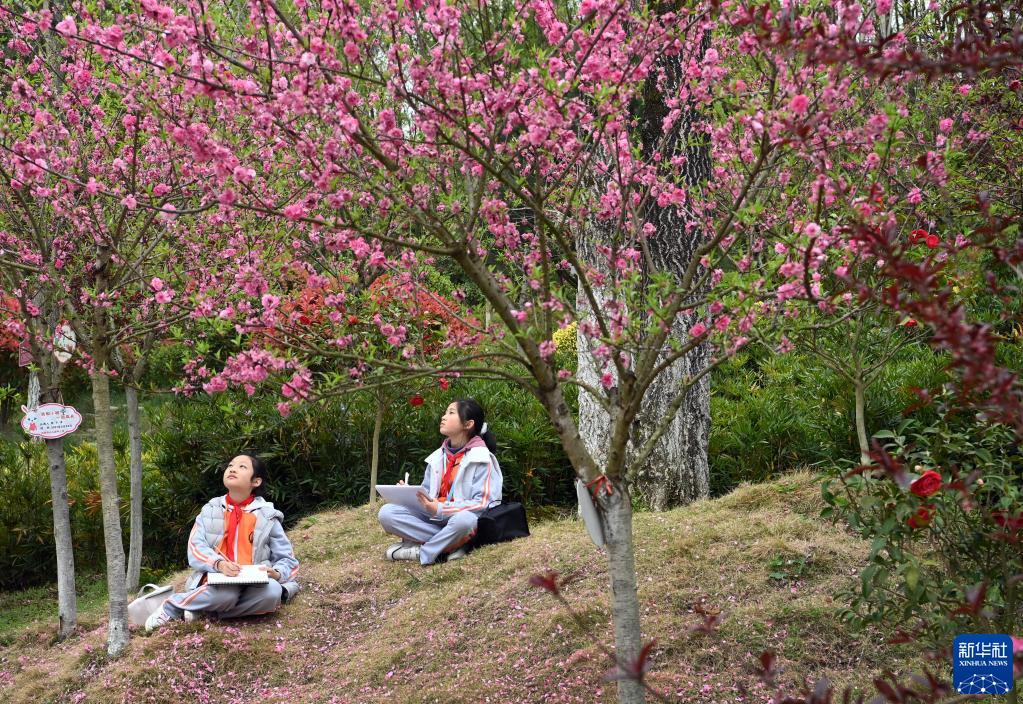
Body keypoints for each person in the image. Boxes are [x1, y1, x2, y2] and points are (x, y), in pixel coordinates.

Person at [145, 454, 300, 631]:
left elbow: (287, 558)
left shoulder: (268, 516)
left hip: (255, 582)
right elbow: (195, 547)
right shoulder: (210, 510)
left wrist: (277, 574)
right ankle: (171, 606)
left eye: (242, 467)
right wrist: (218, 564)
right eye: (230, 466)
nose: (232, 469)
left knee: (272, 593)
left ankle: (203, 612)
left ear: (256, 481)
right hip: (216, 579)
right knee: (227, 594)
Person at [379, 398, 502, 565]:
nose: (443, 417)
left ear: (468, 424)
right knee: (387, 513)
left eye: (451, 413)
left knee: (465, 521)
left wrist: (441, 508)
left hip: (459, 520)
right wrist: (409, 494)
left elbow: (482, 504)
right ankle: (452, 545)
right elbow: (428, 493)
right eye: (445, 412)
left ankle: (424, 552)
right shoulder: (438, 456)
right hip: (435, 519)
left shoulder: (482, 458)